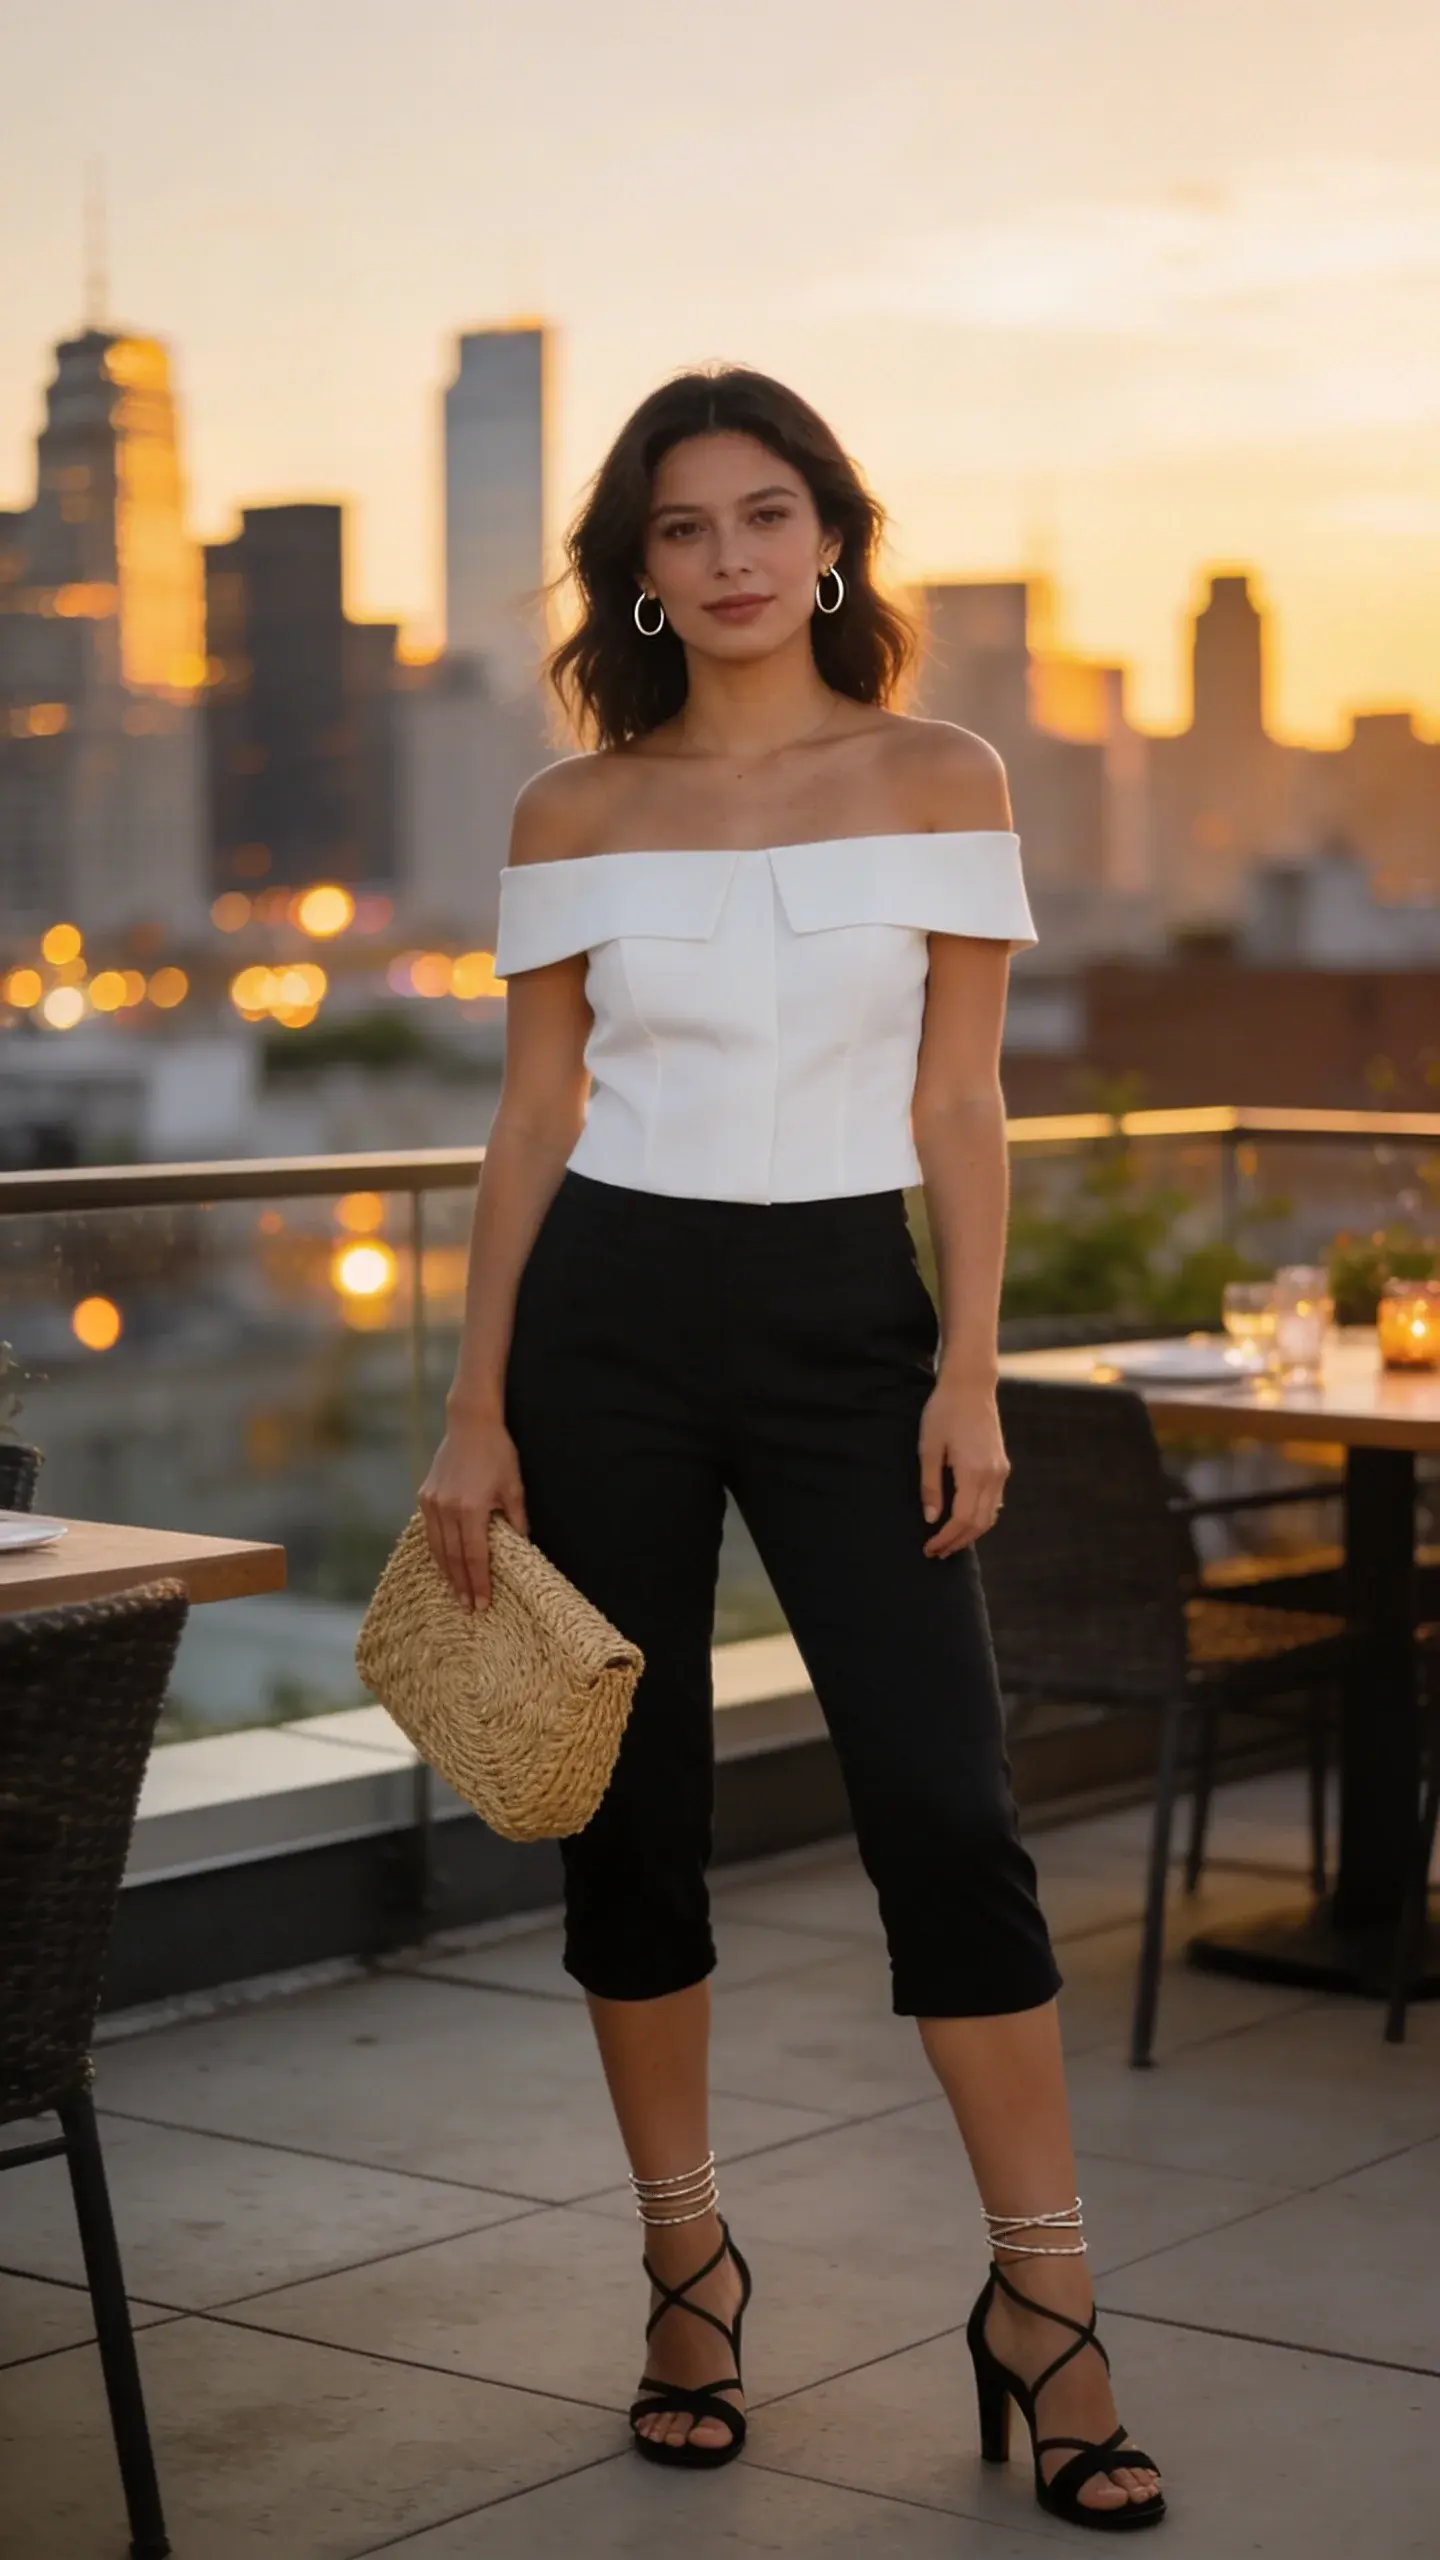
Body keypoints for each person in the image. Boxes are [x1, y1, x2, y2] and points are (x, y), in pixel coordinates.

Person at [419, 364, 1165, 2530]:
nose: (731, 557)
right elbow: (538, 1114)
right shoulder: (573, 809)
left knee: (947, 1800)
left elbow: (959, 1100)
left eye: (766, 514)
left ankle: (1049, 2301)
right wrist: (475, 1406)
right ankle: (687, 2269)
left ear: (830, 537)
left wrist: (967, 1362)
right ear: (635, 571)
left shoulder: (943, 771)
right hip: (605, 1331)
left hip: (855, 1323)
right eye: (682, 527)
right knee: (623, 1814)